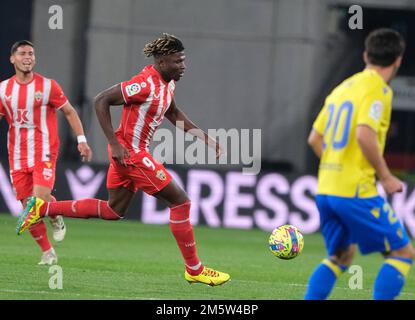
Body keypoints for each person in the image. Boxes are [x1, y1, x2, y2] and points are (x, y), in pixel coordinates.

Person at [17, 33, 230, 286]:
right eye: (178, 61)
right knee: (181, 203)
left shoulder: (168, 83)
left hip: (131, 153)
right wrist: (115, 144)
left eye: (183, 60)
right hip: (131, 153)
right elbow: (101, 100)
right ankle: (195, 270)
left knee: (113, 210)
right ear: (162, 62)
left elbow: (172, 112)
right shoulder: (144, 84)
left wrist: (205, 138)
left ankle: (42, 208)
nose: (183, 66)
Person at [305, 28, 414, 300]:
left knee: (341, 256)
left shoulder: (343, 88)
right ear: (398, 60)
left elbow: (314, 138)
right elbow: (364, 133)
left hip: (327, 189)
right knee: (402, 252)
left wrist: (335, 164)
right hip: (355, 191)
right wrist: (386, 176)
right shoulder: (378, 90)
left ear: (366, 55)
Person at [0, 40, 93, 265]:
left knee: (38, 201)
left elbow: (70, 112)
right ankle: (48, 251)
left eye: (31, 53)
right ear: (13, 59)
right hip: (17, 154)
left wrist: (81, 140)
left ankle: (54, 214)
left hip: (44, 151)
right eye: (22, 53)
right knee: (27, 207)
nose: (28, 57)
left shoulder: (48, 86)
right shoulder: (3, 89)